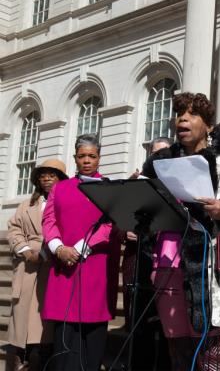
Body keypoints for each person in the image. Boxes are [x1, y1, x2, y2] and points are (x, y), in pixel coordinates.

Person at [141, 92, 220, 371]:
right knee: (178, 349)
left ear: (208, 125)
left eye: (192, 113)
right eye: (179, 113)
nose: (182, 118)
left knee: (211, 352)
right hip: (167, 265)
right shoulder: (162, 163)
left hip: (212, 268)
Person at [42, 134, 123, 371]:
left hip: (96, 265)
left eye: (92, 156)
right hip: (64, 266)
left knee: (93, 329)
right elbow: (49, 220)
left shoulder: (110, 187)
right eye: (82, 156)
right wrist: (58, 248)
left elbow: (110, 223)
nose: (87, 160)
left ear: (99, 158)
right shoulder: (60, 188)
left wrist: (79, 249)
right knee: (65, 333)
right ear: (75, 158)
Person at [7, 159, 67, 371]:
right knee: (23, 313)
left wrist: (47, 251)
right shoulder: (27, 204)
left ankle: (42, 357)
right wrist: (24, 249)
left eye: (52, 174)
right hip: (28, 266)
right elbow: (14, 228)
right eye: (43, 175)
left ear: (61, 179)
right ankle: (19, 357)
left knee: (43, 319)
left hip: (53, 263)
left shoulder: (65, 201)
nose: (47, 179)